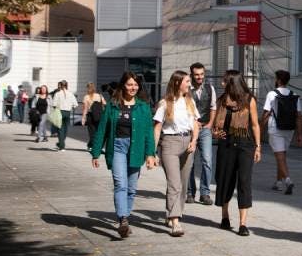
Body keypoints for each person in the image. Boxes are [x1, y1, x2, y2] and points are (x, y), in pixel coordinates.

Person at [91, 72, 157, 238]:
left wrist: (151, 154)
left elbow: (149, 131)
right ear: (123, 86)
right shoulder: (113, 105)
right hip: (118, 147)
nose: (133, 87)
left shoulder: (143, 106)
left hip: (136, 149)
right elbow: (102, 129)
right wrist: (96, 152)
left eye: (135, 85)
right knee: (121, 183)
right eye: (129, 84)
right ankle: (123, 220)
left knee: (132, 188)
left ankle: (124, 217)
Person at [212, 72, 261, 236]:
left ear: (232, 83)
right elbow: (214, 126)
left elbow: (255, 125)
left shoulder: (249, 100)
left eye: (224, 80)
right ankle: (225, 216)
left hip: (245, 145)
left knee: (244, 182)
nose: (221, 83)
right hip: (225, 145)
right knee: (225, 180)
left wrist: (258, 147)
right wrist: (216, 134)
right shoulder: (221, 100)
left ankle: (242, 224)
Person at [153, 70, 201, 237]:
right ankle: (175, 221)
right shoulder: (165, 103)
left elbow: (195, 123)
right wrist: (152, 152)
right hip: (170, 144)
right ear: (177, 83)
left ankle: (175, 211)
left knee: (183, 182)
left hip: (187, 142)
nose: (190, 84)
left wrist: (194, 141)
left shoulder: (190, 102)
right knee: (174, 183)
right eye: (187, 81)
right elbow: (157, 128)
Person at [261, 69, 302, 195]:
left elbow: (266, 114)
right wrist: (300, 134)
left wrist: (259, 128)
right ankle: (278, 182)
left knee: (280, 157)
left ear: (278, 80)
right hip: (289, 129)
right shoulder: (294, 95)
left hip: (275, 128)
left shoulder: (271, 94)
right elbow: (299, 116)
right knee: (282, 156)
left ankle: (288, 181)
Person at [186, 62, 217, 205]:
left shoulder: (210, 88)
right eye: (196, 74)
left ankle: (205, 193)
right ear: (191, 75)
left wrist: (210, 124)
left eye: (202, 74)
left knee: (207, 161)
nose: (199, 77)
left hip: (205, 129)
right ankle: (190, 192)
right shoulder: (186, 89)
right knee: (189, 162)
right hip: (189, 130)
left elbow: (213, 107)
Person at [50, 80, 78, 152]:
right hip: (68, 112)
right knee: (65, 129)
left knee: (60, 129)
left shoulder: (58, 94)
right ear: (66, 85)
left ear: (61, 85)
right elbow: (76, 104)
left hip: (60, 111)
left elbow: (54, 104)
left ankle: (62, 146)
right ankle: (60, 143)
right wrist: (70, 107)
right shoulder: (71, 94)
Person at [81, 82, 106, 151]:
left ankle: (91, 146)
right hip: (99, 116)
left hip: (91, 116)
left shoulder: (86, 97)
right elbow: (105, 104)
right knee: (99, 132)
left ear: (87, 88)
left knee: (92, 132)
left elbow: (85, 108)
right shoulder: (100, 96)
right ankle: (95, 146)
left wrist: (83, 118)